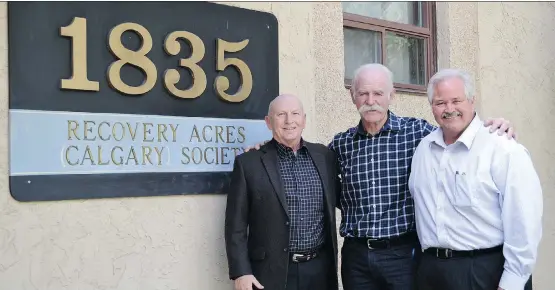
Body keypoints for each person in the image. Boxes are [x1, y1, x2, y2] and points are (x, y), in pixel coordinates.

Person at [245, 63, 515, 290]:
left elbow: (455, 126)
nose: (370, 101)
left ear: (391, 95)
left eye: (378, 93)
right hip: (356, 256)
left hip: (403, 254)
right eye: (363, 94)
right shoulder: (340, 145)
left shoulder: (418, 134)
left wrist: (492, 126)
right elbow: (310, 169)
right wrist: (264, 149)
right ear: (353, 97)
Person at [408, 68, 542, 290]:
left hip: (485, 271)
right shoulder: (424, 148)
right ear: (431, 106)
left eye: (456, 100)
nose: (449, 109)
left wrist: (513, 281)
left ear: (472, 100)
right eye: (440, 102)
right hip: (432, 272)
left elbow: (524, 219)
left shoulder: (502, 148)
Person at [224, 94, 340, 290]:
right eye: (281, 115)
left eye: (295, 114)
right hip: (271, 273)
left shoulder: (325, 156)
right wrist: (241, 272)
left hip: (319, 270)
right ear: (269, 122)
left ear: (304, 119)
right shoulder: (249, 163)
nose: (289, 121)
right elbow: (235, 225)